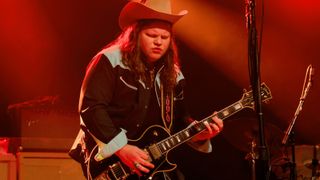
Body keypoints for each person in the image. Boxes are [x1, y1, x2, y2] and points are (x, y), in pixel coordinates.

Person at [69, 0, 224, 179]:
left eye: (165, 38)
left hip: (151, 160)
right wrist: (122, 148)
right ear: (135, 34)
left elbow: (179, 121)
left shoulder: (173, 74)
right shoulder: (110, 59)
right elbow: (91, 108)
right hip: (108, 160)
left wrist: (200, 134)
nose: (158, 42)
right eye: (151, 35)